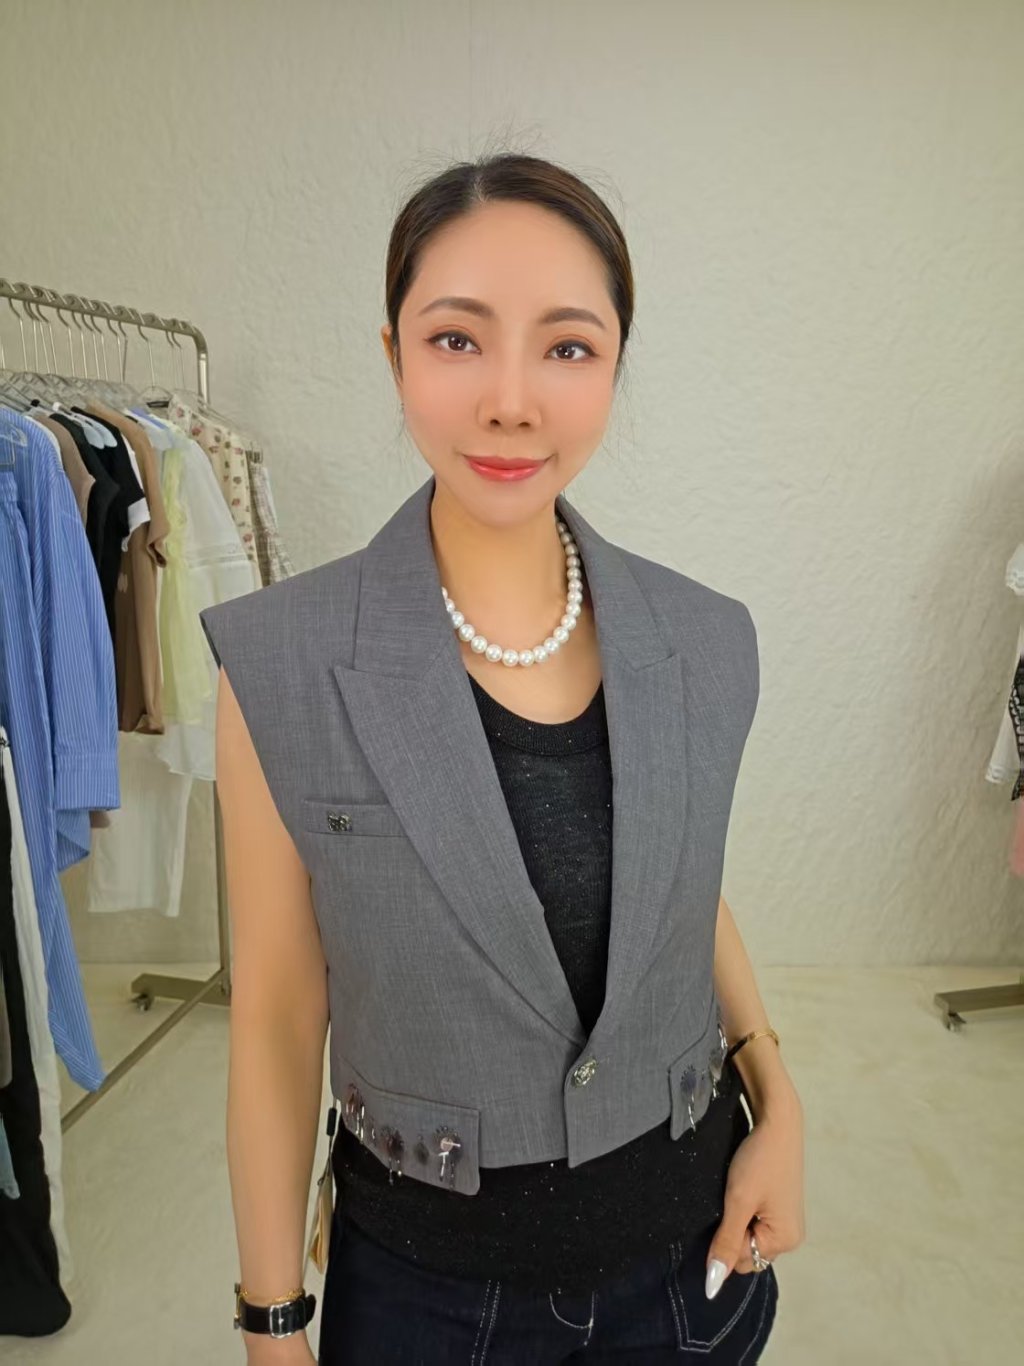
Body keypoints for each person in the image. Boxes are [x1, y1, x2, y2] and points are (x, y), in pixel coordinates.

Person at [204, 151, 805, 1365]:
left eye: (567, 346)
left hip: (690, 1274)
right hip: (426, 1300)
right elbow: (275, 1013)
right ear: (395, 357)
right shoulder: (281, 661)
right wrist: (272, 1324)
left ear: (616, 364)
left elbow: (679, 891)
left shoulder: (705, 639)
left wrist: (776, 1093)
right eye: (457, 339)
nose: (511, 400)